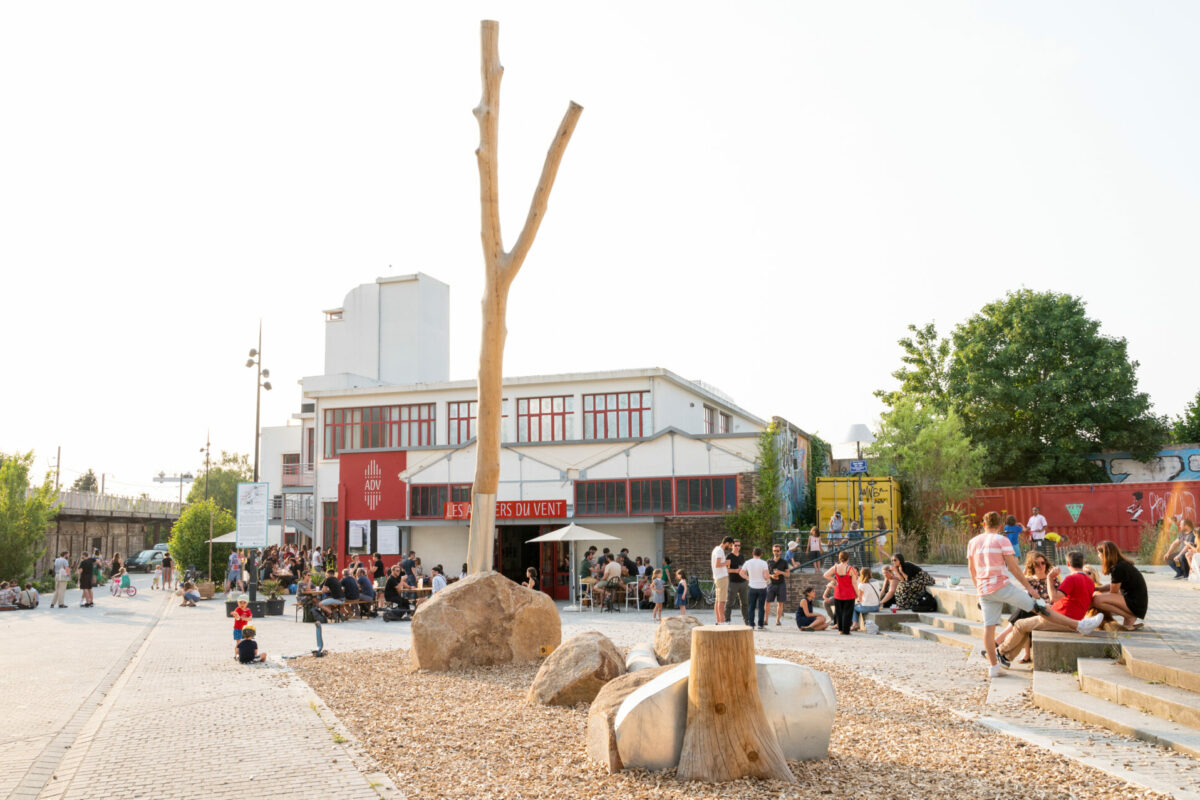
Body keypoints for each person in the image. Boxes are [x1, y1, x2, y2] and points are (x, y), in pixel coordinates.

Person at [969, 511, 1100, 678]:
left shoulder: (972, 542)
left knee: (989, 629)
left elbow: (971, 569)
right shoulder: (1002, 540)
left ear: (983, 524)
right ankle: (1079, 625)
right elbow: (1014, 568)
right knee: (1041, 608)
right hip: (1001, 586)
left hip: (984, 590)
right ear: (1000, 525)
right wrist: (1030, 590)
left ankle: (994, 666)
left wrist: (978, 590)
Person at [999, 550, 1101, 661]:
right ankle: (1006, 657)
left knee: (1019, 624)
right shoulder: (1090, 582)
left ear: (1068, 564)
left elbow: (1054, 597)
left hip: (1058, 619)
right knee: (1024, 623)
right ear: (1082, 563)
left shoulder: (1071, 578)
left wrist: (1049, 578)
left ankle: (1000, 652)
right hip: (1071, 617)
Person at [1091, 540, 1148, 630]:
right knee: (1100, 594)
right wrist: (1098, 588)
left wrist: (1098, 592)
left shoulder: (1118, 568)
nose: (1098, 556)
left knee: (1097, 600)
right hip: (1137, 602)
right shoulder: (1121, 564)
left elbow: (1113, 591)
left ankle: (1129, 616)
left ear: (1105, 554)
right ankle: (1129, 617)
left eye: (1099, 553)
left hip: (1135, 604)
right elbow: (1114, 585)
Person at [824, 551, 858, 635]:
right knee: (847, 612)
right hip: (849, 593)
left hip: (838, 592)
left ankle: (840, 630)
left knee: (839, 612)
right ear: (848, 558)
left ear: (839, 558)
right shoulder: (851, 569)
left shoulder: (835, 567)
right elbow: (854, 583)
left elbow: (825, 575)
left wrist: (834, 580)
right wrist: (858, 594)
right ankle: (846, 631)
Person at [741, 546, 771, 630]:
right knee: (761, 607)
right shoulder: (764, 563)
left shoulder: (748, 562)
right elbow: (766, 576)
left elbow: (741, 573)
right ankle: (760, 624)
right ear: (761, 554)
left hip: (752, 586)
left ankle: (751, 624)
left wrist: (747, 578)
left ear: (752, 554)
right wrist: (768, 577)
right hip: (762, 587)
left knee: (751, 606)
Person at [766, 543, 792, 627]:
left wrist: (780, 572)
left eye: (777, 551)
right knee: (767, 602)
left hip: (781, 584)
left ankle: (778, 620)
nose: (776, 552)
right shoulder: (768, 561)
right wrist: (771, 576)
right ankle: (766, 620)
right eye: (774, 551)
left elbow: (788, 575)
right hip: (771, 584)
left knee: (780, 603)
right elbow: (765, 574)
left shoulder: (784, 562)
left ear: (780, 551)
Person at [725, 540, 749, 625]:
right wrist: (735, 570)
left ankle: (747, 620)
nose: (737, 547)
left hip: (743, 582)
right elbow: (725, 569)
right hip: (733, 583)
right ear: (732, 546)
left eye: (739, 545)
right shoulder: (729, 556)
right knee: (730, 602)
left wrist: (746, 576)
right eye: (735, 545)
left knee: (745, 603)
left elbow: (744, 568)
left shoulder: (741, 556)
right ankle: (727, 620)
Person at [711, 536, 733, 624]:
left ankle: (718, 620)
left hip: (717, 577)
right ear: (727, 543)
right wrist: (727, 563)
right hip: (722, 577)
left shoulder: (716, 549)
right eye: (730, 545)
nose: (730, 547)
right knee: (722, 601)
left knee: (717, 600)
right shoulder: (720, 551)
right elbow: (718, 564)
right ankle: (722, 621)